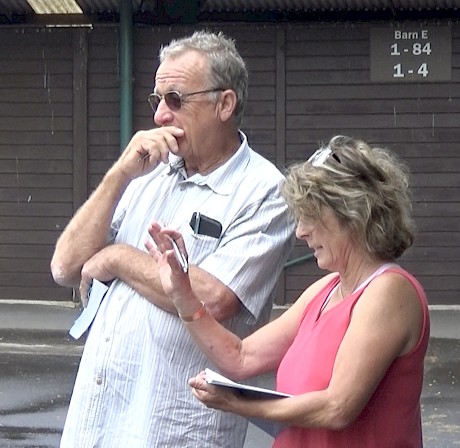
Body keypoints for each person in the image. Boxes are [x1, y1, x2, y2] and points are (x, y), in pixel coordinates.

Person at [50, 30, 295, 447]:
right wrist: (118, 175)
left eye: (176, 99)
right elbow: (65, 267)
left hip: (174, 428)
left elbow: (215, 298)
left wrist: (116, 258)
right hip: (97, 423)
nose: (162, 115)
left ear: (225, 104)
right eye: (157, 100)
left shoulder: (264, 191)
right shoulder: (150, 174)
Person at [149, 135, 430, 448]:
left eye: (311, 216)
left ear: (353, 215)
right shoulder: (325, 289)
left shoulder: (389, 291)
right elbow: (240, 357)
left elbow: (337, 408)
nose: (301, 231)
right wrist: (183, 296)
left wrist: (238, 405)